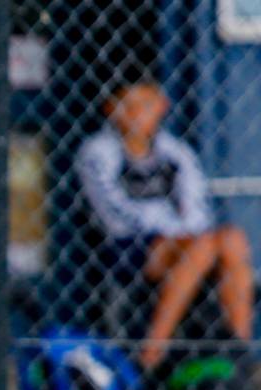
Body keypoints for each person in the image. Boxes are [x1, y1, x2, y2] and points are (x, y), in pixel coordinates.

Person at [77, 79, 255, 370]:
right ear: (111, 109)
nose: (137, 114)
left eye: (145, 105)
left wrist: (181, 232)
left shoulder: (175, 151)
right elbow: (114, 212)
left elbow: (197, 207)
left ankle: (240, 353)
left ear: (162, 107)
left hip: (186, 242)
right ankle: (153, 350)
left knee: (232, 239)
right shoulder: (98, 152)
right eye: (127, 106)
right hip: (129, 245)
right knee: (200, 246)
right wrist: (171, 228)